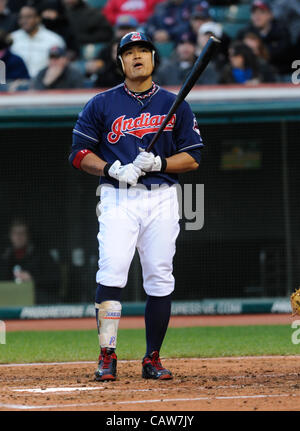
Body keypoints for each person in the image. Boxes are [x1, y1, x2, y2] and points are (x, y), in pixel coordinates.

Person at [69, 31, 203, 381]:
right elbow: (79, 154)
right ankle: (107, 355)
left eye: (144, 50)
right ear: (121, 61)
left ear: (154, 59)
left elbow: (192, 159)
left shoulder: (176, 104)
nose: (137, 56)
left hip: (161, 196)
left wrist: (160, 163)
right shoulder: (101, 103)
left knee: (159, 276)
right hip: (117, 197)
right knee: (112, 270)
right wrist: (112, 168)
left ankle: (152, 358)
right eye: (130, 52)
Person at [0, 219, 61, 304]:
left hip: (37, 303)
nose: (19, 236)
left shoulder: (41, 255)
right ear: (10, 236)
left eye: (22, 233)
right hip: (9, 302)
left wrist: (32, 280)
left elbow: (55, 280)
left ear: (28, 235)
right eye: (15, 233)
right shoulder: (4, 257)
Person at [237, 0, 293, 79]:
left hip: (281, 73)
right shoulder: (244, 33)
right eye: (254, 12)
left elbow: (285, 54)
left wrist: (259, 51)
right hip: (253, 75)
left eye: (262, 12)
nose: (257, 16)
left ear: (270, 14)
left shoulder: (281, 31)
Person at [10, 2, 65, 78]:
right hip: (16, 84)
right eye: (21, 17)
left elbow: (58, 66)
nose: (24, 21)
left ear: (38, 18)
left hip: (44, 84)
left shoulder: (54, 39)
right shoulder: (12, 38)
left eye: (28, 17)